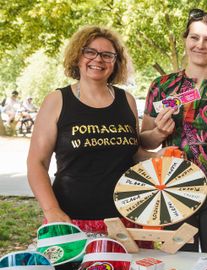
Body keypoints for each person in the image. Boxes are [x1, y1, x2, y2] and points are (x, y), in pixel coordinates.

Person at [27, 26, 157, 234]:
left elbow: (133, 152)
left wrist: (161, 157)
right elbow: (37, 163)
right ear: (78, 56)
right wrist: (52, 210)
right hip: (71, 220)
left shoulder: (127, 100)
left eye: (107, 55)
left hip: (126, 221)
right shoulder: (57, 100)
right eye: (90, 52)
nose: (98, 59)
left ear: (116, 62)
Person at [140, 9, 207, 253]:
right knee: (177, 267)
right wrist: (158, 132)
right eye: (194, 37)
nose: (201, 45)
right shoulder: (162, 87)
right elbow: (144, 142)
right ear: (185, 40)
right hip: (173, 190)